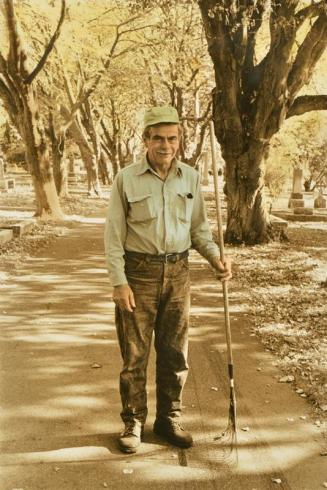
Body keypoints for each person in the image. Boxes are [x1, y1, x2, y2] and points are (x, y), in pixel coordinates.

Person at [104, 106, 232, 454]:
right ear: (145, 139)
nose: (165, 144)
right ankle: (132, 422)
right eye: (157, 137)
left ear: (179, 140)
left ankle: (168, 419)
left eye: (171, 138)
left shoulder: (190, 178)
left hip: (178, 273)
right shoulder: (126, 179)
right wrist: (119, 281)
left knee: (175, 354)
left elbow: (199, 230)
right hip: (138, 274)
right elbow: (114, 236)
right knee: (135, 355)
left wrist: (215, 256)